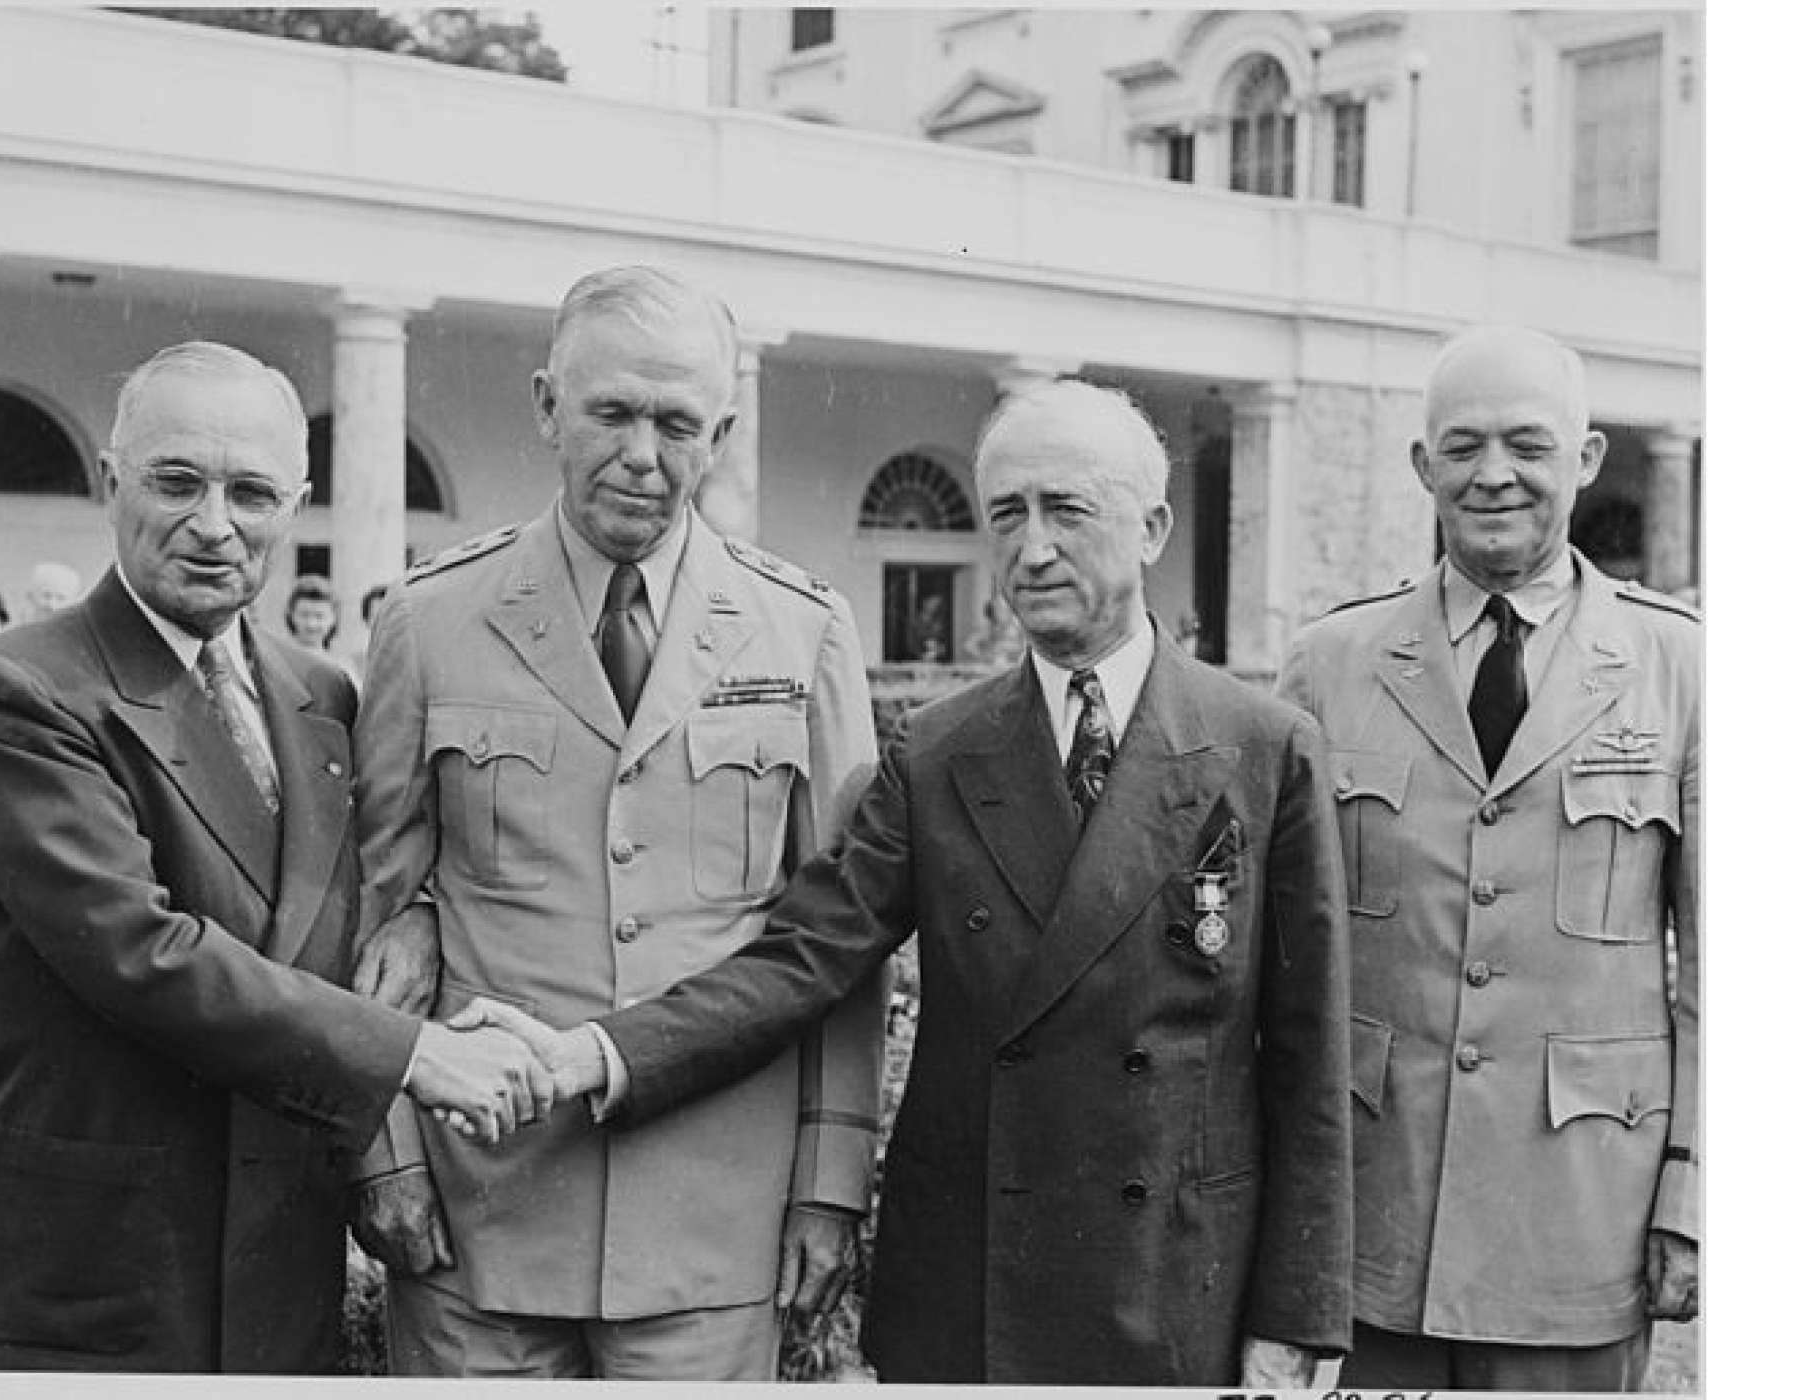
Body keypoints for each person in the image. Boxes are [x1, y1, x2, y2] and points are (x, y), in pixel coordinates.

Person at [463, 378, 1355, 1387]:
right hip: (976, 1283)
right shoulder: (940, 751)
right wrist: (600, 1050)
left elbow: (1311, 1052)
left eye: (1067, 509)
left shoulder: (1264, 746)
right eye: (1005, 513)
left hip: (1183, 1278)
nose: (1032, 547)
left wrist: (1299, 1312)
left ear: (1151, 528)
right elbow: (802, 956)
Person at [0, 341, 558, 1373]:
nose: (214, 523)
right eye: (177, 481)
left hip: (281, 1260)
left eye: (250, 490)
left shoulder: (320, 693)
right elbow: (140, 950)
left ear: (295, 501)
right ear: (112, 484)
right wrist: (415, 1054)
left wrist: (414, 914)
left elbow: (343, 909)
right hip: (103, 1264)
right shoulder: (22, 687)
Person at [349, 265, 886, 1380]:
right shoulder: (430, 619)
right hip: (480, 1210)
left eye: (678, 422)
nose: (644, 452)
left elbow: (841, 940)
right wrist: (385, 1155)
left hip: (712, 1224)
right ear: (549, 405)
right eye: (612, 412)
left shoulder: (804, 634)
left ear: (723, 433)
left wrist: (830, 1181)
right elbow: (375, 914)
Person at [1274, 325, 1700, 1391]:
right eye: (1462, 447)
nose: (1494, 474)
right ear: (1424, 467)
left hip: (1579, 1218)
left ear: (1588, 459)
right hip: (1374, 1213)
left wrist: (1693, 1199)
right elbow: (1276, 963)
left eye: (1528, 444)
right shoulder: (1332, 664)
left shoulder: (1684, 666)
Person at [284, 572, 339, 651]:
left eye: (319, 616)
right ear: (291, 615)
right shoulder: (271, 659)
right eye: (304, 615)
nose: (311, 624)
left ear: (333, 619)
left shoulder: (339, 663)